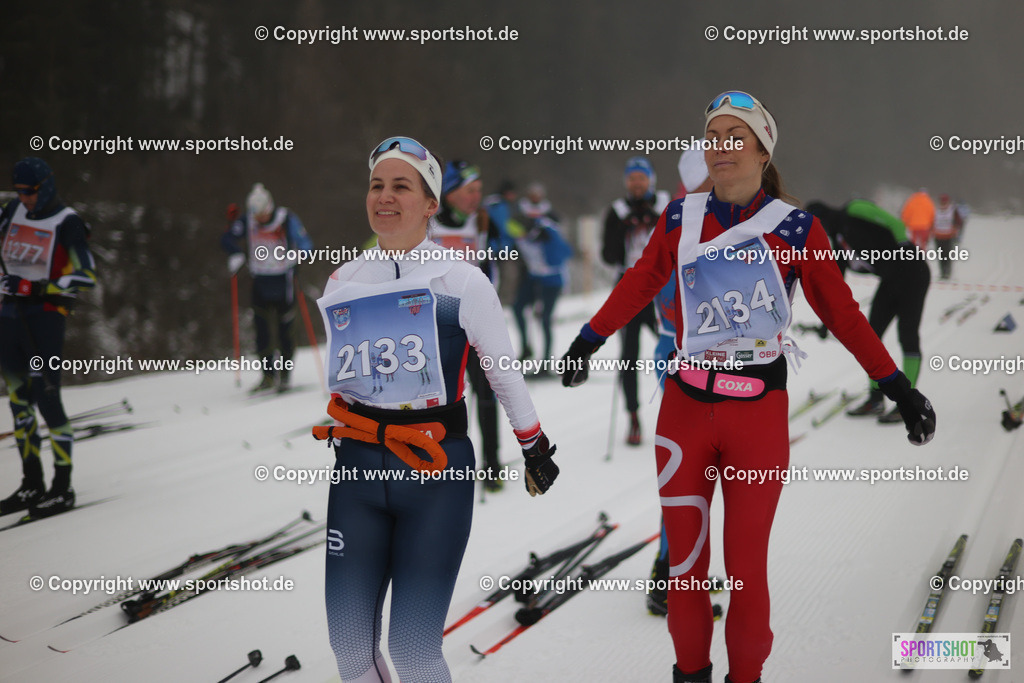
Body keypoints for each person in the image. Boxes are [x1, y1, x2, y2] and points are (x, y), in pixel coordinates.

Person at [559, 92, 936, 683]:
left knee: (745, 572)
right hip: (684, 410)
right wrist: (588, 339)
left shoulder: (798, 228)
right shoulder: (679, 217)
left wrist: (899, 389)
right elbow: (640, 280)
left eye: (735, 136)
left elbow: (842, 314)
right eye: (712, 137)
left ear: (763, 151)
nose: (720, 147)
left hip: (756, 415)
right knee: (685, 571)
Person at [315, 136, 558, 682]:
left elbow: (501, 371)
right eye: (377, 185)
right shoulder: (343, 280)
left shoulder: (462, 280)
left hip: (436, 473)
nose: (384, 196)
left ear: (430, 204)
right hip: (358, 473)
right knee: (349, 649)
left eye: (401, 186)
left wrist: (534, 446)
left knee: (413, 651)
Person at [0, 157, 97, 517]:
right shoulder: (13, 210)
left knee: (47, 399)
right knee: (18, 403)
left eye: (30, 192)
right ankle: (31, 482)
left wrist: (35, 286)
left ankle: (62, 486)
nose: (25, 198)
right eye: (19, 191)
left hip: (44, 320)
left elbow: (86, 275)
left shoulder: (66, 221)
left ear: (45, 187)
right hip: (10, 317)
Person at [648, 147, 714, 616]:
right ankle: (669, 579)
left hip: (706, 362)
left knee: (701, 473)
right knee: (689, 474)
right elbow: (671, 300)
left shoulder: (710, 218)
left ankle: (678, 571)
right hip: (682, 360)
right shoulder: (683, 224)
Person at [805, 199, 932, 422]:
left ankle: (909, 403)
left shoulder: (853, 209)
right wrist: (826, 325)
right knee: (870, 337)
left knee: (907, 335)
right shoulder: (839, 243)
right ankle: (875, 400)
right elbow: (834, 288)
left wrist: (903, 246)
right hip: (891, 280)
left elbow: (895, 223)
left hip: (913, 272)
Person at [430, 159, 504, 490]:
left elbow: (498, 262)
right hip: (436, 323)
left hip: (474, 321)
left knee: (486, 393)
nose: (476, 196)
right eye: (469, 190)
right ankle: (439, 462)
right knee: (441, 397)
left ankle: (492, 463)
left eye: (479, 190)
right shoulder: (427, 225)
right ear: (449, 194)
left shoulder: (483, 222)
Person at [601, 156, 671, 445]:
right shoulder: (617, 211)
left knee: (674, 349)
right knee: (629, 357)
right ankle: (633, 416)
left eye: (641, 178)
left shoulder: (665, 205)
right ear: (626, 182)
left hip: (660, 290)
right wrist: (624, 228)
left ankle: (680, 407)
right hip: (629, 290)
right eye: (632, 179)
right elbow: (608, 256)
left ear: (650, 180)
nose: (637, 183)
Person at [221, 183, 313, 393]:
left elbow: (307, 245)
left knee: (285, 332)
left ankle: (285, 375)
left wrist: (297, 256)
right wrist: (235, 253)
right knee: (262, 332)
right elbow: (226, 239)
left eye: (262, 214)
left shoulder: (285, 219)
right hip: (260, 282)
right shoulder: (248, 221)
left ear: (269, 207)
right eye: (256, 214)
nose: (260, 219)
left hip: (283, 281)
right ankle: (268, 376)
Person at [511, 212, 572, 368]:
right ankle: (526, 348)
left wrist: (549, 239)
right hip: (534, 278)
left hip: (551, 280)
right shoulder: (519, 232)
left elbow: (566, 252)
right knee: (517, 308)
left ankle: (546, 361)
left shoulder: (547, 230)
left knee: (545, 319)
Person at [932, 193, 963, 280]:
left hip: (949, 236)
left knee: (948, 255)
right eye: (942, 201)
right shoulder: (936, 210)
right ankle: (943, 272)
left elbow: (959, 221)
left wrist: (956, 229)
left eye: (945, 201)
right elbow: (931, 220)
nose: (943, 203)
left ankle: (947, 272)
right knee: (940, 255)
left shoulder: (952, 210)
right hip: (938, 236)